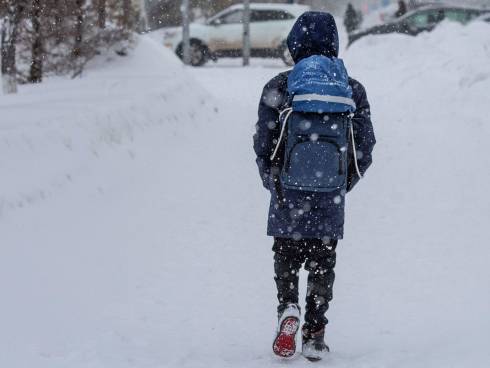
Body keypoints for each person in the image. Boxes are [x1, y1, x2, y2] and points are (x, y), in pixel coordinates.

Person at [253, 12, 376, 361]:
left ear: (295, 44)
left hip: (287, 190)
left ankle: (288, 308)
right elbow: (365, 145)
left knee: (287, 254)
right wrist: (342, 183)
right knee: (323, 260)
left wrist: (272, 179)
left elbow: (263, 140)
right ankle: (315, 334)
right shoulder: (352, 89)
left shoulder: (280, 85)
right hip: (330, 191)